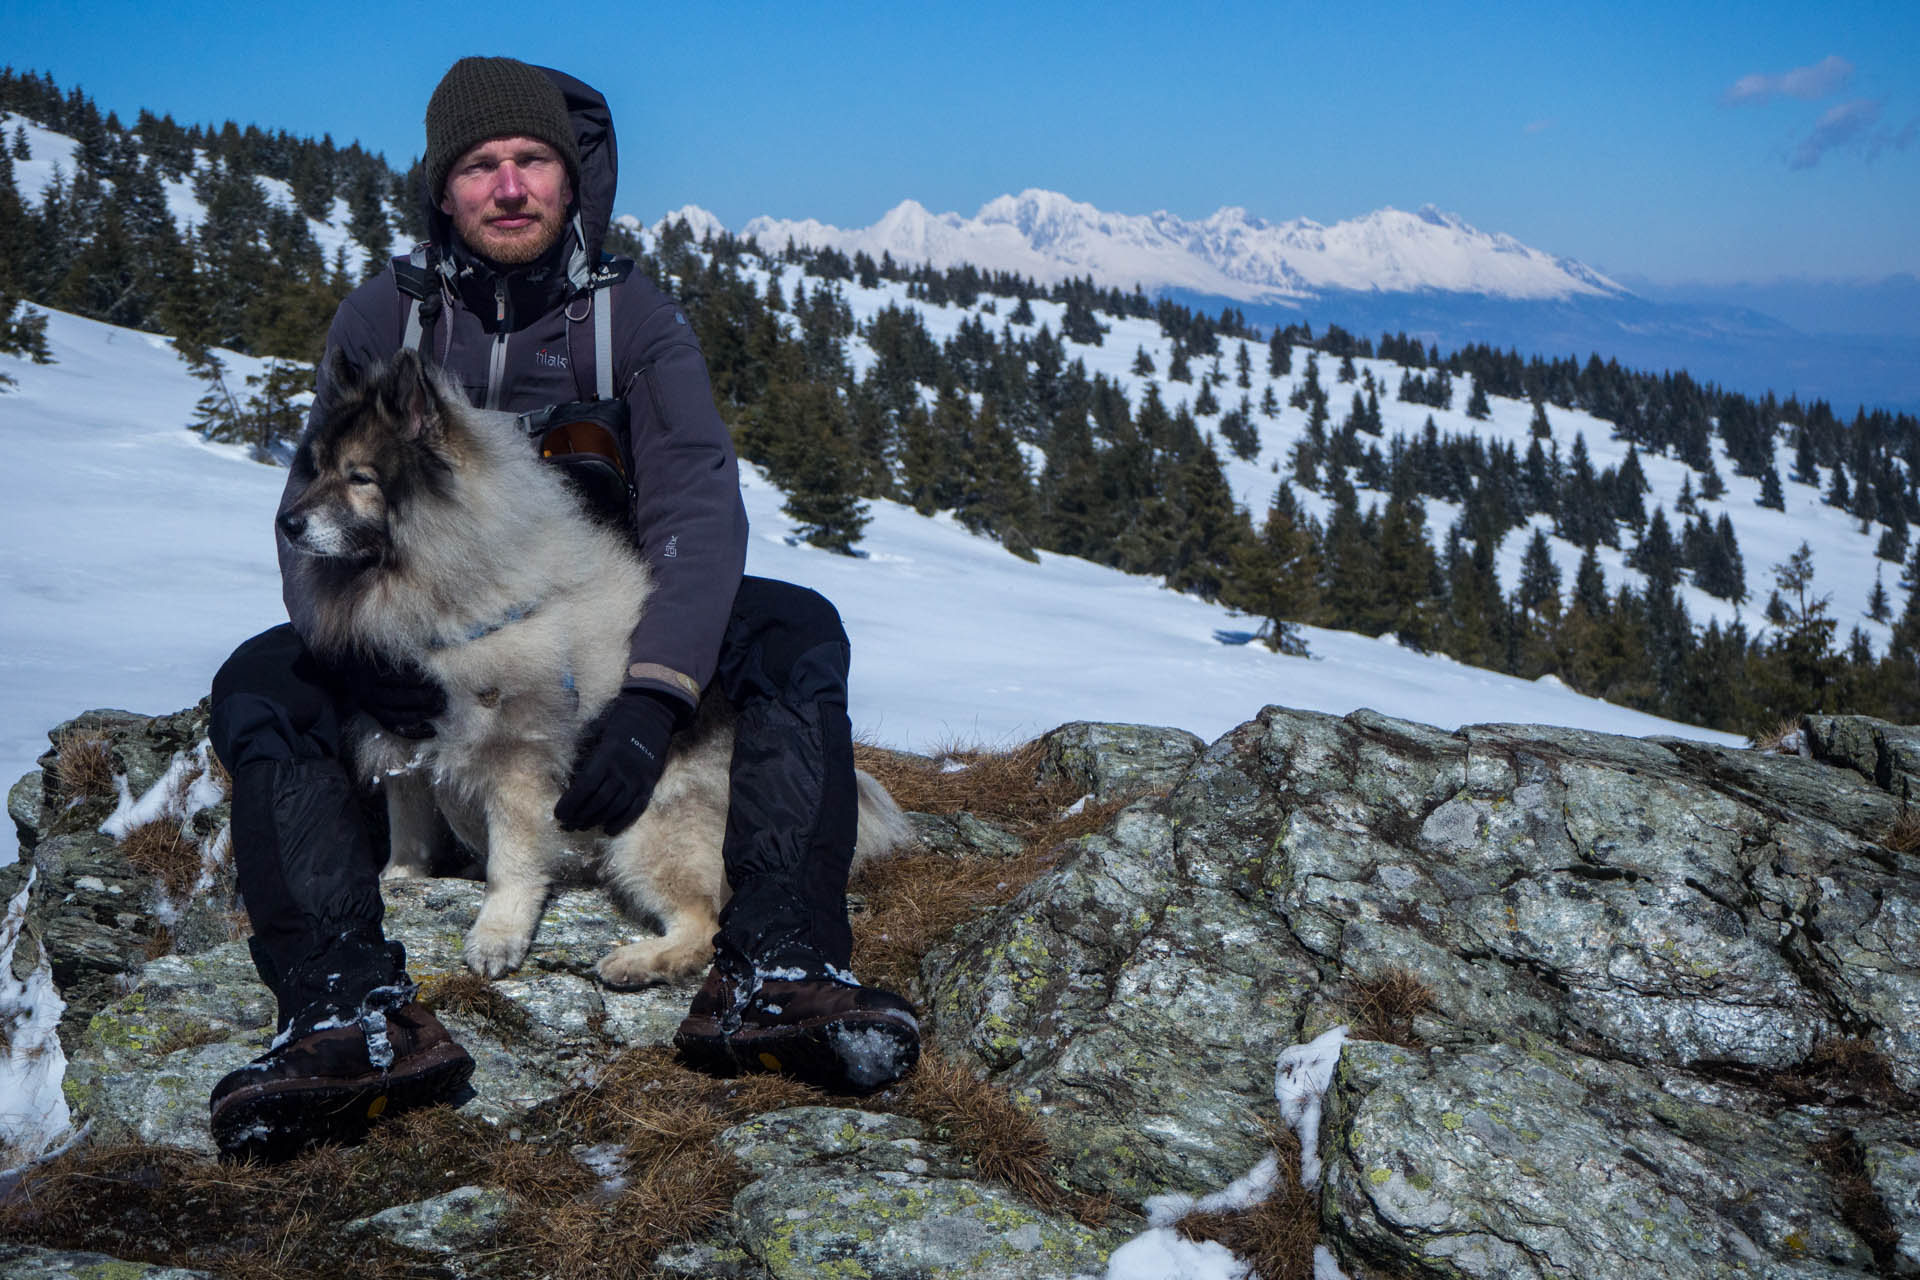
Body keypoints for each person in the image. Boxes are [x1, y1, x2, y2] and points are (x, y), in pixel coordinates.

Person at [205, 57, 919, 1162]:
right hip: (416, 615)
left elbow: (695, 505)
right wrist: (347, 650)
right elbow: (307, 504)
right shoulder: (384, 315)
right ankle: (343, 1011)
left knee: (795, 627)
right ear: (442, 189)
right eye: (479, 166)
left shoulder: (626, 315)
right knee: (258, 683)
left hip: (596, 612)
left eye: (531, 159)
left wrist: (653, 695)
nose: (507, 185)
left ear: (569, 177)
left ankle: (780, 968)